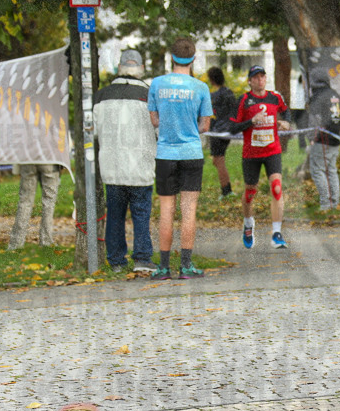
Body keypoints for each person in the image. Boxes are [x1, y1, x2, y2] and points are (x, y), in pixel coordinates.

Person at [147, 37, 213, 280]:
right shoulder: (200, 88)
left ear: (171, 57)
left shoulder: (156, 84)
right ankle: (185, 266)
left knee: (166, 211)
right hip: (191, 154)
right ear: (193, 59)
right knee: (188, 211)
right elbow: (205, 125)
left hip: (165, 154)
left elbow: (155, 120)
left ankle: (164, 268)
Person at [94, 49, 157, 273]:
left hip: (112, 166)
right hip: (141, 165)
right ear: (140, 69)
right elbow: (158, 128)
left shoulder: (102, 96)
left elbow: (92, 131)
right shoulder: (150, 95)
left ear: (120, 68)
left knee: (115, 214)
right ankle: (142, 259)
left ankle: (117, 261)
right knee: (141, 213)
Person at [226, 65, 291, 249]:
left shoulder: (275, 97)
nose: (260, 80)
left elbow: (286, 110)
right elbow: (232, 127)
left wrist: (286, 121)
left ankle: (277, 233)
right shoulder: (244, 100)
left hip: (272, 151)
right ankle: (248, 225)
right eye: (255, 77)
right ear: (250, 81)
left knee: (277, 188)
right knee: (250, 193)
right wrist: (251, 122)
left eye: (262, 76)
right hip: (251, 154)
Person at [306, 68, 340, 211]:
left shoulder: (317, 96)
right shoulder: (334, 94)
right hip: (335, 137)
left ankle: (325, 204)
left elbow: (314, 119)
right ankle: (335, 202)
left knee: (317, 170)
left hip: (322, 139)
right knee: (331, 170)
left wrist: (311, 138)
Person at [7, 163, 60, 250]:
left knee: (25, 201)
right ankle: (46, 241)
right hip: (49, 159)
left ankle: (16, 243)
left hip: (29, 158)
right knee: (49, 201)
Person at [207, 66, 238, 200]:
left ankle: (226, 191)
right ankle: (226, 189)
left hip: (218, 132)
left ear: (212, 80)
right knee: (217, 161)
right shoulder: (229, 93)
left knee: (219, 161)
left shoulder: (214, 96)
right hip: (228, 131)